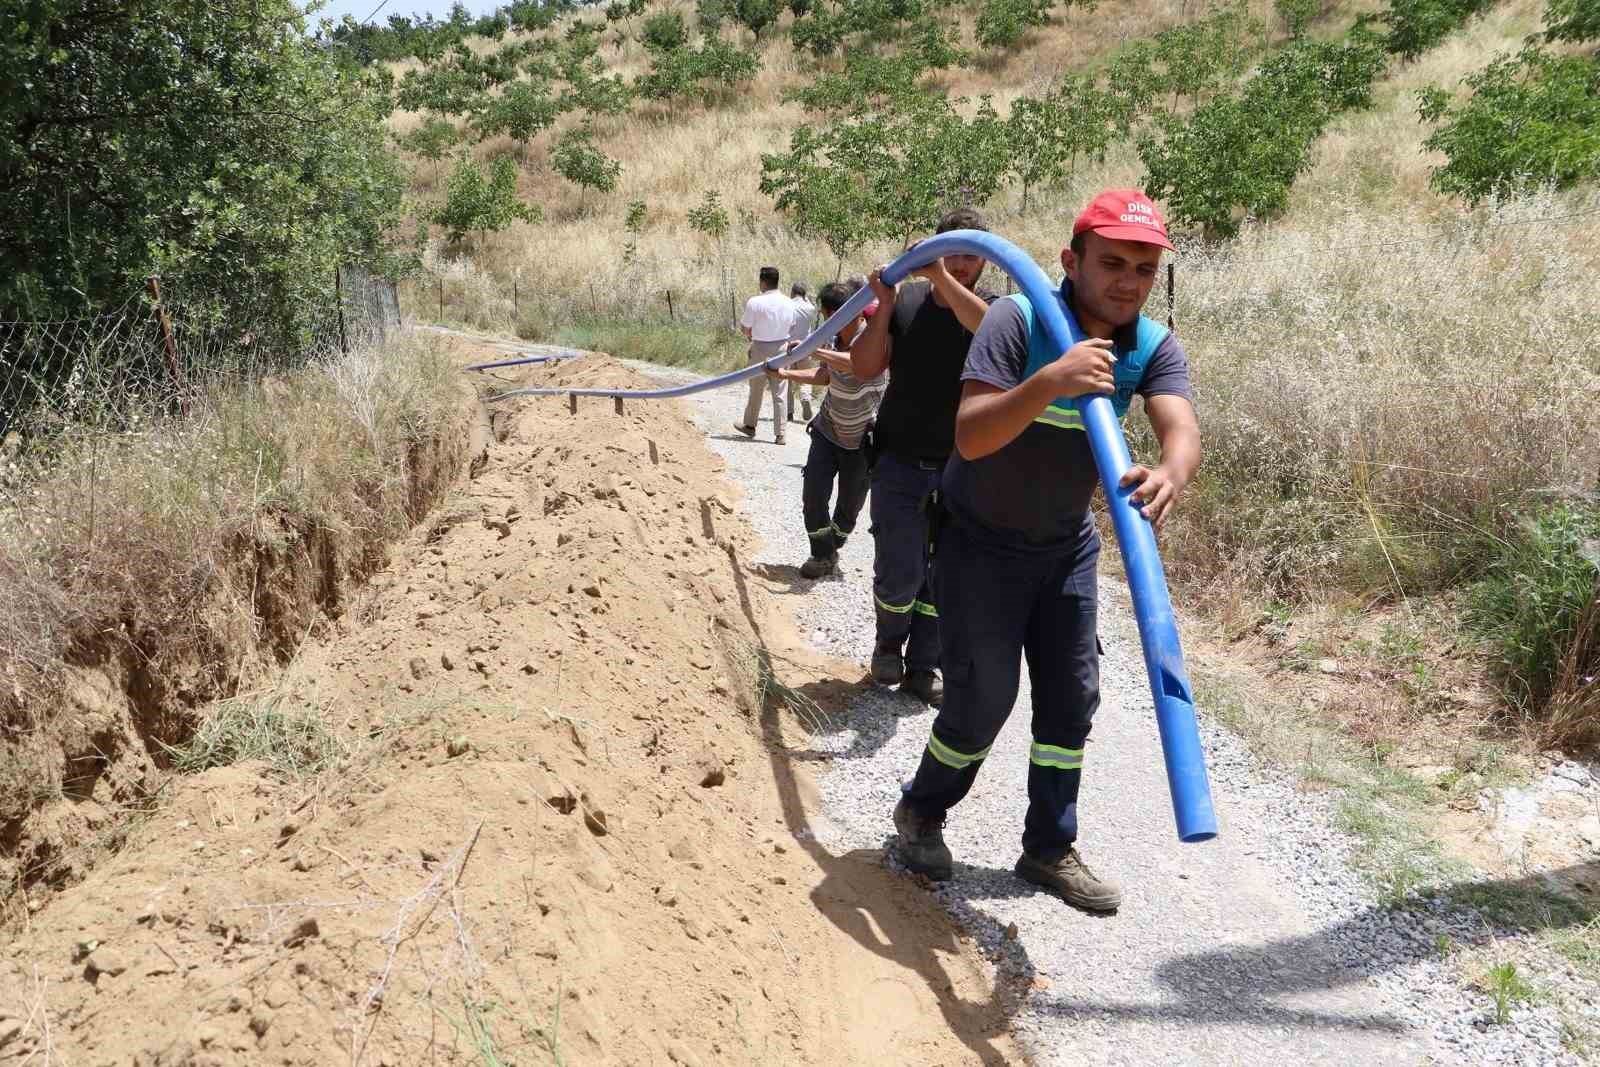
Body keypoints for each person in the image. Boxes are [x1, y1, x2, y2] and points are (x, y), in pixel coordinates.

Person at [891, 190, 1201, 914]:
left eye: (1143, 268)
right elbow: (971, 434)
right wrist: (1049, 383)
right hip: (977, 546)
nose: (1127, 281)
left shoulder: (1149, 345)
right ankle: (922, 810)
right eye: (1112, 262)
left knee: (1071, 701)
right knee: (982, 700)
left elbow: (1180, 424)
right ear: (1071, 260)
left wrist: (1171, 470)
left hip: (1064, 551)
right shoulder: (1017, 319)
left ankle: (1048, 846)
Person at [851, 208, 996, 707]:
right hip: (897, 462)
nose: (960, 264)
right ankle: (889, 643)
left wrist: (936, 275)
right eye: (950, 252)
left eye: (972, 255)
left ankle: (924, 666)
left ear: (986, 262)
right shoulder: (907, 301)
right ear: (934, 251)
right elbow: (866, 366)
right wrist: (885, 306)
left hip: (963, 469)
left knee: (946, 575)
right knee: (899, 568)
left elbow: (984, 328)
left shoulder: (997, 311)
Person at [771, 280, 886, 579]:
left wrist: (811, 349)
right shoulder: (830, 340)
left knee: (849, 510)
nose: (829, 323)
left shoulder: (873, 337)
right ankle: (821, 555)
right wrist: (786, 372)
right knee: (813, 495)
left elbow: (858, 364)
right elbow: (826, 376)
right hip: (828, 430)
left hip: (862, 439)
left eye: (830, 317)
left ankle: (831, 545)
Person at [735, 266, 795, 445]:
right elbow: (791, 326)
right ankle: (781, 434)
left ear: (762, 281)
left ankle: (750, 425)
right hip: (782, 348)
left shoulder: (755, 302)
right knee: (780, 391)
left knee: (756, 389)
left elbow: (745, 328)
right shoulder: (789, 302)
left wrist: (750, 335)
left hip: (760, 346)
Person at [786, 282, 818, 424]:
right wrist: (807, 300)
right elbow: (813, 312)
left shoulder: (786, 305)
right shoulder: (810, 308)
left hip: (788, 348)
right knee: (806, 377)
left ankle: (789, 412)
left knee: (787, 379)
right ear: (804, 294)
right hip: (805, 346)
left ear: (792, 292)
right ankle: (805, 398)